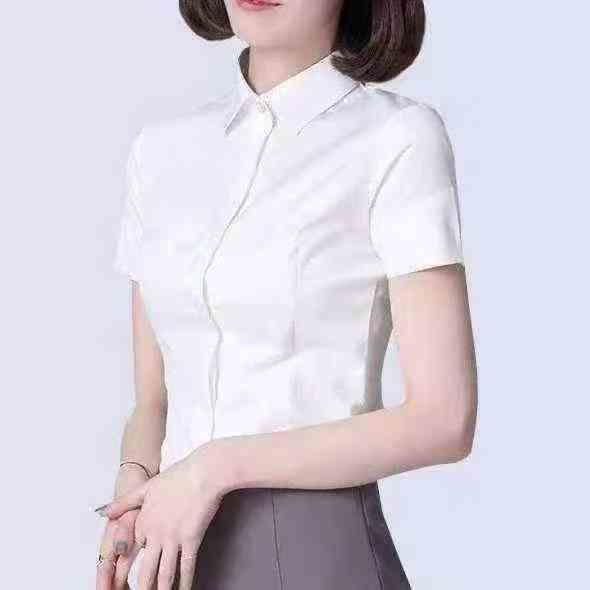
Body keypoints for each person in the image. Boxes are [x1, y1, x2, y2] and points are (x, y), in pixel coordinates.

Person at [95, 1, 478, 589]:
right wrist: (133, 485)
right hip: (168, 551)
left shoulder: (397, 138)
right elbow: (154, 400)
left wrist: (216, 467)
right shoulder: (160, 151)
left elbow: (444, 419)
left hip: (314, 550)